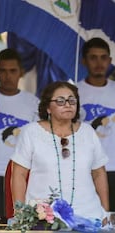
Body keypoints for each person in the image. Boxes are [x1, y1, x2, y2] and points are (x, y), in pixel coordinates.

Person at [11, 81, 109, 221]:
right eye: (60, 101)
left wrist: (105, 212)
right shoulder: (31, 132)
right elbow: (19, 175)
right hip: (44, 217)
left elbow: (99, 173)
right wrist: (20, 214)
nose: (68, 104)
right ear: (48, 108)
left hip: (89, 216)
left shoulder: (88, 132)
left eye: (72, 100)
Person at [0, 48, 39, 222]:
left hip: (23, 175)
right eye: (3, 71)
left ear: (21, 72)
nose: (8, 76)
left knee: (23, 225)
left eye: (12, 71)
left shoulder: (34, 103)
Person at [77, 37, 115, 212]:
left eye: (103, 57)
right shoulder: (73, 93)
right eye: (93, 57)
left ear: (110, 60)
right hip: (86, 170)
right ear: (84, 61)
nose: (99, 62)